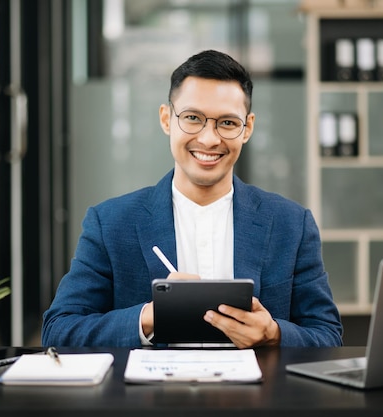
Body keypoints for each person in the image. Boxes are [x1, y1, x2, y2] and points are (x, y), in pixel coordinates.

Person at [42, 50, 343, 348]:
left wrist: (274, 334)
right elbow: (59, 330)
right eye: (192, 118)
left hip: (257, 395)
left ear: (247, 128)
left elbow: (327, 335)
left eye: (227, 123)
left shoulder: (291, 224)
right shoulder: (110, 223)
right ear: (166, 119)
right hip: (149, 394)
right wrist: (149, 316)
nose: (209, 139)